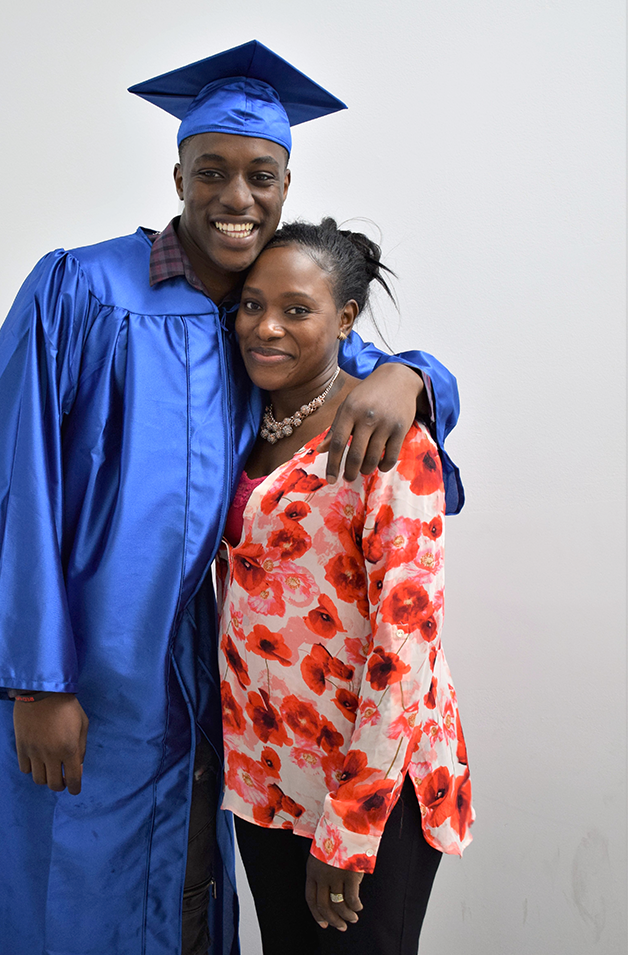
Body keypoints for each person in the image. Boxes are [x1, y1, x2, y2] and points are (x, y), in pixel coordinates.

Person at [0, 42, 463, 955]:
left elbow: (359, 388)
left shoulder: (260, 314)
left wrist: (416, 372)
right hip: (76, 664)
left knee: (186, 894)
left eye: (260, 176)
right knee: (66, 889)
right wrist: (35, 681)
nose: (236, 198)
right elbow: (5, 487)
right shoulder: (82, 290)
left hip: (197, 682)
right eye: (212, 172)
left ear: (286, 185)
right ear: (178, 176)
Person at [216, 218, 472, 955]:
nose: (266, 326)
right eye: (252, 304)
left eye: (297, 309)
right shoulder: (240, 418)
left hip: (367, 787)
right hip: (267, 781)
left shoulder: (385, 438)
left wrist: (354, 824)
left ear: (346, 318)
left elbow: (406, 648)